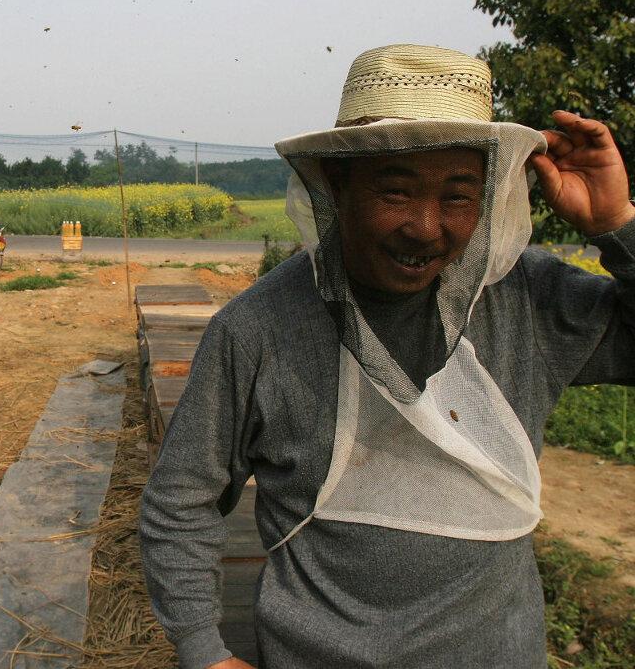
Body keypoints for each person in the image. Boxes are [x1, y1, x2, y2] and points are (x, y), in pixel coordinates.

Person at [138, 44, 633, 669]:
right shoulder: (259, 329)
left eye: (458, 196)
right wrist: (203, 649)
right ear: (335, 185)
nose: (426, 227)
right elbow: (180, 501)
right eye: (396, 193)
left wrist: (616, 223)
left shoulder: (526, 301)